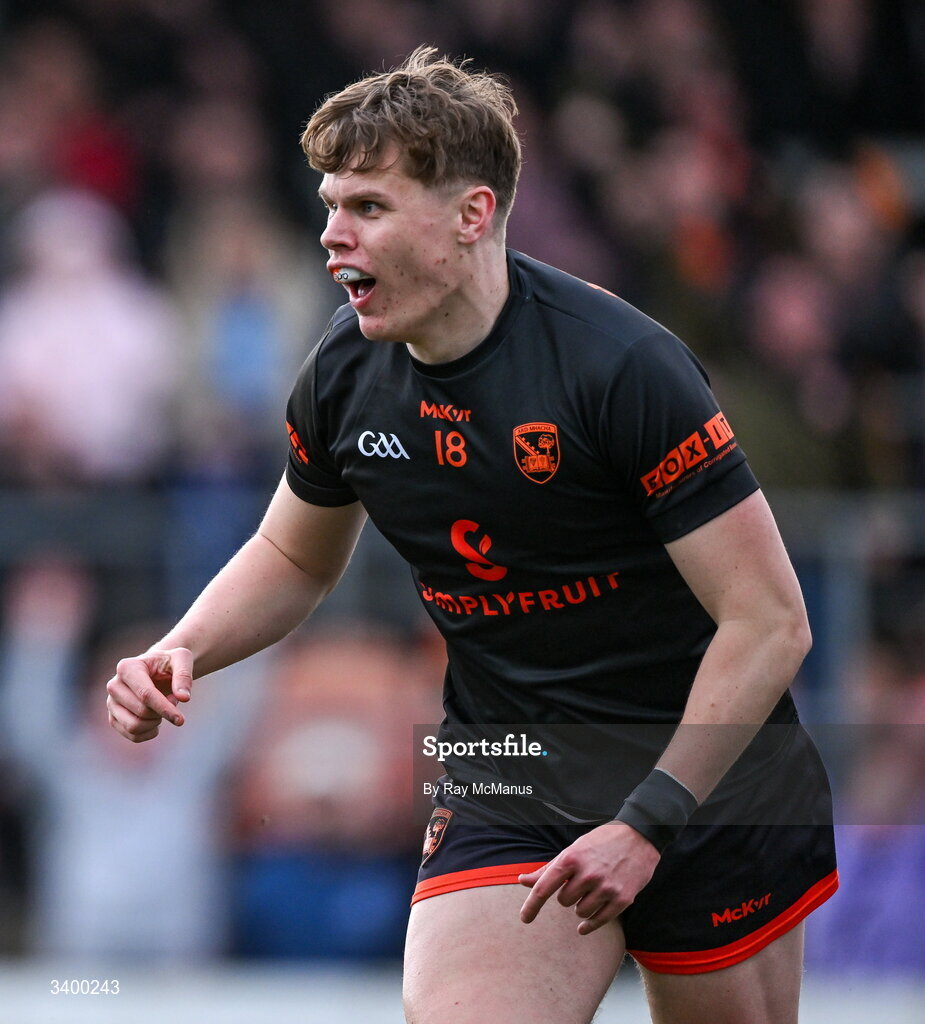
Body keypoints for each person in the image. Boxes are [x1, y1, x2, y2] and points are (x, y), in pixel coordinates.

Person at [106, 47, 837, 1023]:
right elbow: (291, 554)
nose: (331, 237)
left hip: (706, 774)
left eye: (366, 205)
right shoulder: (342, 376)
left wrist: (648, 818)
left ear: (472, 214)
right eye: (328, 204)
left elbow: (770, 622)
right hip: (512, 768)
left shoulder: (623, 369)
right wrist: (182, 646)